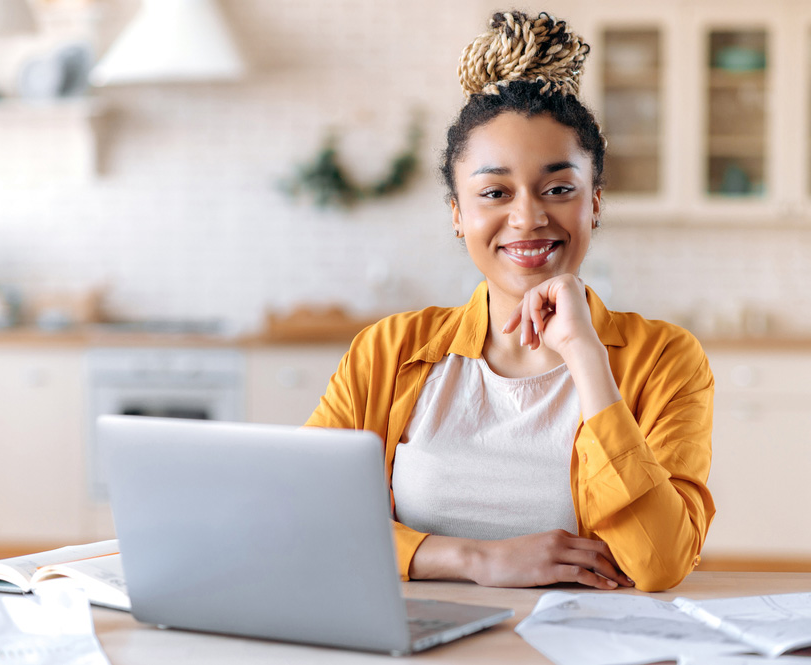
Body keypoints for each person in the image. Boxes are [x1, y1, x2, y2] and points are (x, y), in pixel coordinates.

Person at [306, 10, 714, 593]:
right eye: (494, 192)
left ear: (594, 203)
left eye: (559, 189)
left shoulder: (667, 359)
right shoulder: (388, 350)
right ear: (457, 214)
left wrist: (588, 360)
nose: (528, 217)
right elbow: (307, 518)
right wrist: (473, 559)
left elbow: (659, 562)